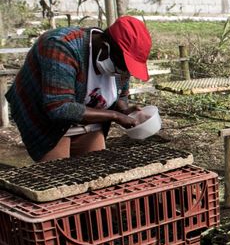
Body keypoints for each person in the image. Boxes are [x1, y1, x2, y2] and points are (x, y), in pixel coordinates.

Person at [5, 16, 152, 162]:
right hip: (46, 118)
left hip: (89, 117)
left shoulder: (120, 63)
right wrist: (114, 115)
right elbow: (60, 108)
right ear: (104, 46)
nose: (125, 73)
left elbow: (121, 97)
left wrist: (125, 110)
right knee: (57, 175)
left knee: (96, 170)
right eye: (123, 66)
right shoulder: (61, 47)